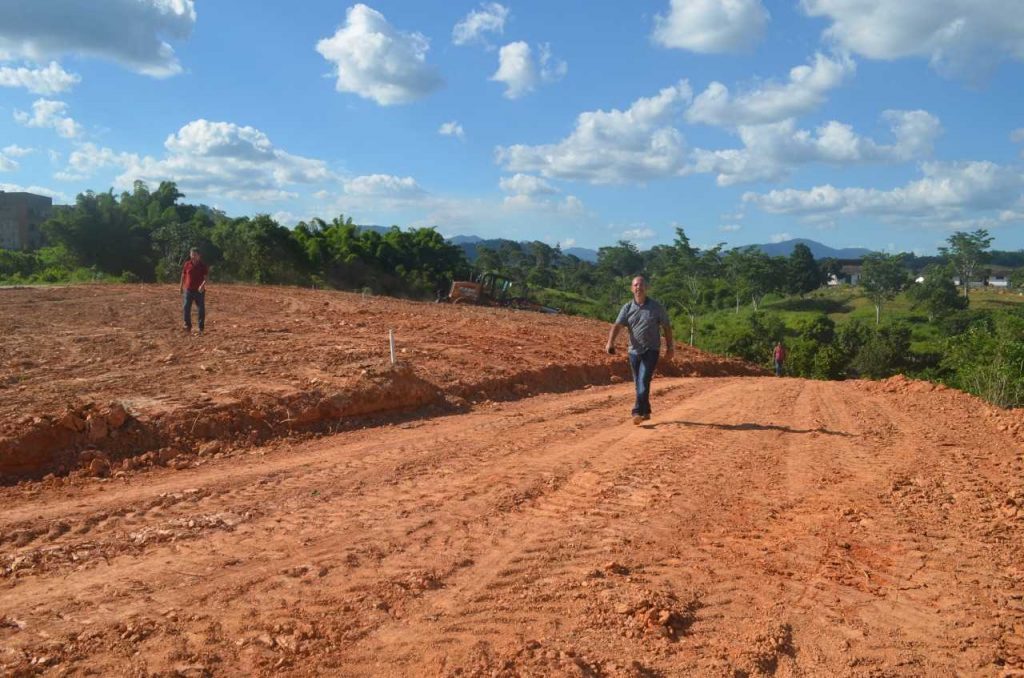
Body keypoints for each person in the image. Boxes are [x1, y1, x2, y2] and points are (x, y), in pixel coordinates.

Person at [605, 275, 674, 425]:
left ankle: (637, 411)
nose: (638, 287)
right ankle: (646, 411)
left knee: (643, 379)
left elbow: (666, 327)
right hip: (634, 351)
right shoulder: (627, 308)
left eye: (641, 285)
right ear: (632, 288)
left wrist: (670, 348)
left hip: (652, 350)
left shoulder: (656, 307)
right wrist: (610, 342)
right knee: (639, 382)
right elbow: (617, 325)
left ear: (646, 288)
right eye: (635, 285)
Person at [180, 247, 209, 333]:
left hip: (199, 291)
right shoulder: (187, 264)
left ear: (199, 256)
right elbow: (183, 275)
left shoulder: (203, 265)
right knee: (186, 308)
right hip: (188, 290)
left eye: (195, 255)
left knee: (201, 309)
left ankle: (201, 328)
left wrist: (202, 286)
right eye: (192, 254)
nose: (193, 256)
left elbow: (206, 278)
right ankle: (187, 326)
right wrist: (180, 287)